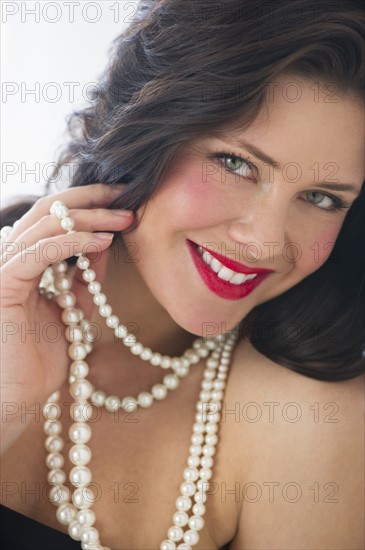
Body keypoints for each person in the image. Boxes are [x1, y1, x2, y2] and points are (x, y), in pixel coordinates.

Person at [1, 1, 364, 549]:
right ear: (144, 133)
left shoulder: (309, 416)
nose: (266, 241)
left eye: (320, 197)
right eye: (236, 164)